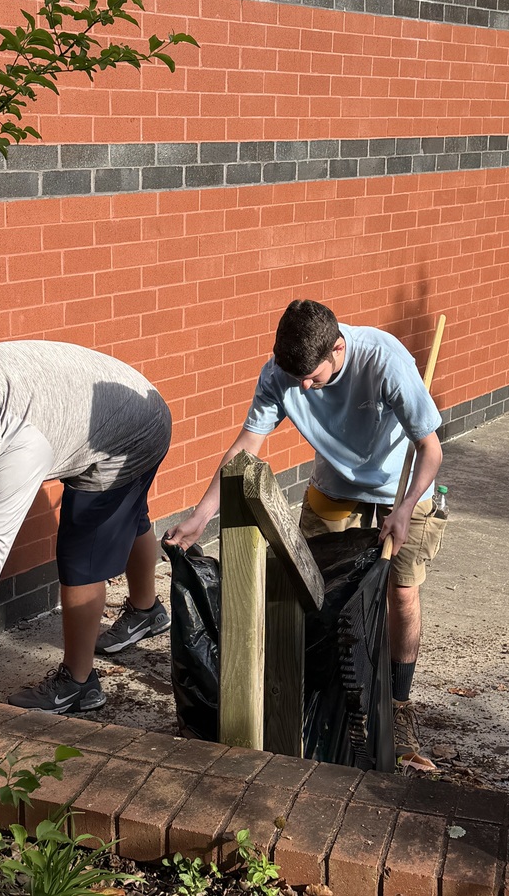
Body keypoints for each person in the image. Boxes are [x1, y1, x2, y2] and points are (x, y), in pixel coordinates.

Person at [166, 299, 446, 761]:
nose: (302, 386)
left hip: (404, 482)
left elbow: (430, 450)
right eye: (294, 375)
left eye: (312, 377)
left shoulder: (385, 360)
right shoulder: (283, 372)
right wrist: (201, 516)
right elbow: (245, 450)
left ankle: (399, 703)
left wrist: (405, 508)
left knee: (401, 591)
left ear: (338, 348)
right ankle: (316, 693)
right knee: (310, 585)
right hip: (335, 483)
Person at [0, 340, 172, 713]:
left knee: (79, 557)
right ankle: (148, 612)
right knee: (130, 514)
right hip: (127, 402)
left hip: (130, 432)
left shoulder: (22, 448)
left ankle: (79, 685)